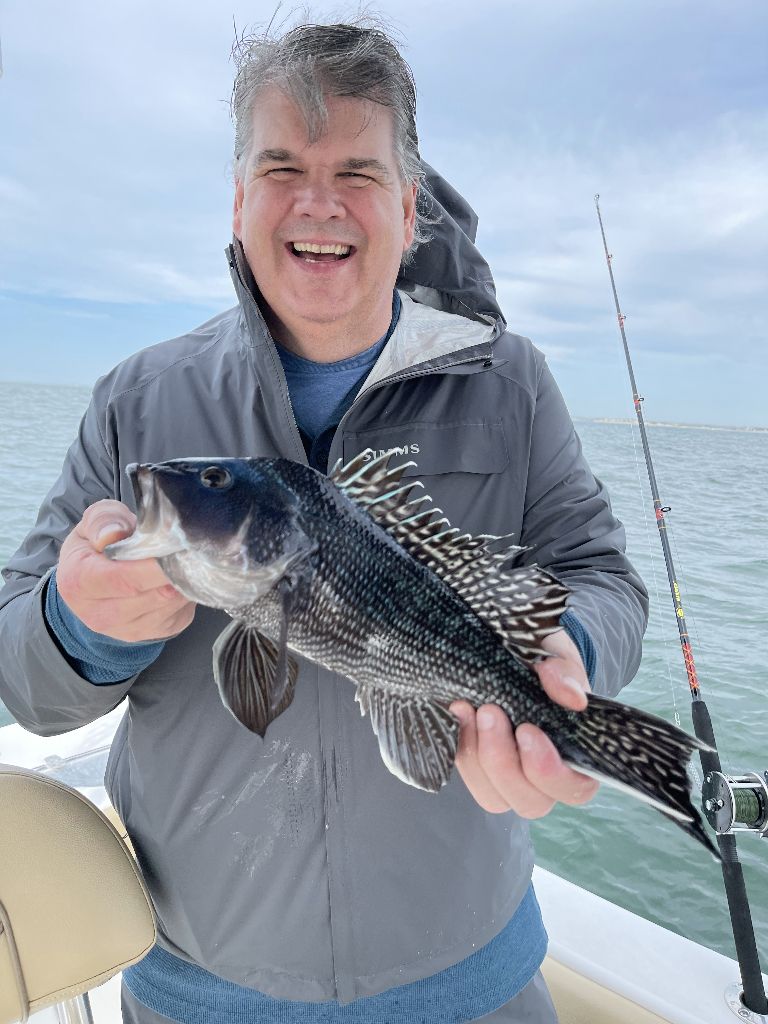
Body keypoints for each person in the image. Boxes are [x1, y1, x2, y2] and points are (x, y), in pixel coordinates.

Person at [0, 15, 648, 1024]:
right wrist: (76, 624)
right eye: (280, 166)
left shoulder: (511, 383)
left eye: (356, 170)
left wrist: (570, 650)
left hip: (473, 983)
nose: (318, 203)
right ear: (239, 198)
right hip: (198, 994)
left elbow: (604, 577)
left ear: (407, 201)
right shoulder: (137, 400)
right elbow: (21, 677)